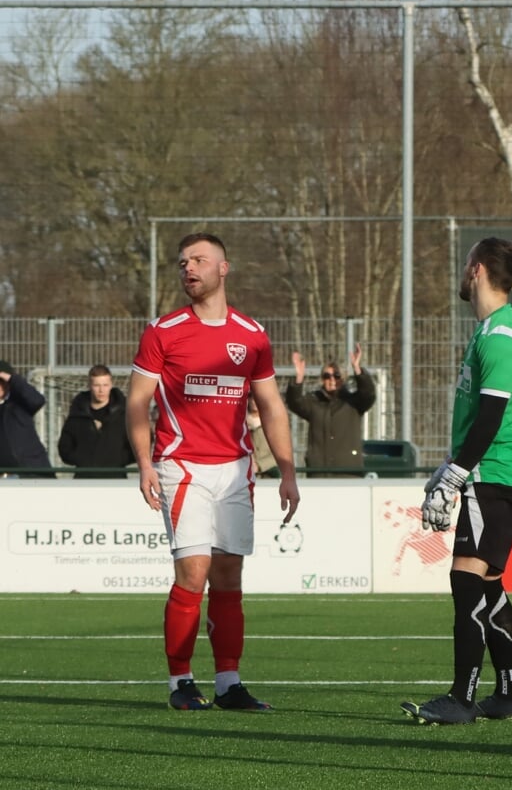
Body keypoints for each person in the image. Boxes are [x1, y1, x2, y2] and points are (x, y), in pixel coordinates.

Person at [126, 233, 300, 712]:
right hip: (181, 467)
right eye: (183, 262)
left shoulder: (251, 334)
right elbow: (138, 400)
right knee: (193, 571)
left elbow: (272, 406)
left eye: (199, 260)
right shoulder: (163, 331)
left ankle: (229, 683)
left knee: (229, 573)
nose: (189, 268)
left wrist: (287, 470)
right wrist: (145, 463)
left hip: (236, 469)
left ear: (224, 268)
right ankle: (180, 681)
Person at [401, 236, 512, 726]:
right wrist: (452, 465)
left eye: (465, 266)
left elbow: (492, 415)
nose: (463, 273)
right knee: (490, 584)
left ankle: (461, 699)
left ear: (476, 269)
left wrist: (458, 473)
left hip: (495, 474)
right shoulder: (494, 330)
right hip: (498, 472)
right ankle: (507, 694)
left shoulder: (501, 335)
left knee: (466, 581)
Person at [285, 346, 376, 477]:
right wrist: (298, 378)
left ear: (343, 378)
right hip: (320, 472)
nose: (332, 380)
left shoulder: (353, 402)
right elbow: (295, 402)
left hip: (348, 473)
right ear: (322, 379)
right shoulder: (314, 402)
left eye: (337, 375)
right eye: (327, 376)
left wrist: (358, 369)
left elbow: (368, 394)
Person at [58, 364, 134, 479]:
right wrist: (83, 460)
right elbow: (64, 448)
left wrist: (116, 460)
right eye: (96, 385)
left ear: (111, 385)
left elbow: (137, 445)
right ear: (89, 385)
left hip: (116, 480)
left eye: (105, 385)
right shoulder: (77, 414)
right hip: (84, 480)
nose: (101, 390)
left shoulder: (123, 415)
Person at [0, 360, 54, 478]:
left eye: (2, 382)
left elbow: (37, 400)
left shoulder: (19, 404)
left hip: (31, 473)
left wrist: (11, 378)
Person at [246, 395, 278, 478]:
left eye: (257, 399)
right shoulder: (241, 423)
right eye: (251, 398)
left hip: (267, 476)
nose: (254, 402)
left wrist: (259, 465)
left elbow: (280, 454)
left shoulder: (273, 425)